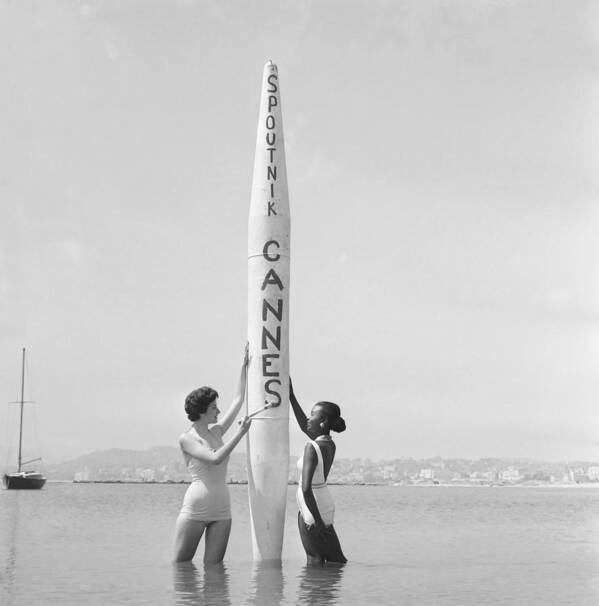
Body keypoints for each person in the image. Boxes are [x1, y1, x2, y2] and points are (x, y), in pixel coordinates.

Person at [173, 346, 252, 563]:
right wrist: (240, 433)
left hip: (221, 508)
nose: (218, 411)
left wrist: (243, 367)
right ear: (201, 411)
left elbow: (238, 401)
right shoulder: (187, 439)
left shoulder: (216, 431)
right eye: (214, 408)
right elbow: (215, 459)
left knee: (215, 571)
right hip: (195, 508)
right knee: (182, 568)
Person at [289, 379, 347, 565]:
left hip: (312, 506)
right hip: (323, 504)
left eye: (312, 414)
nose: (308, 418)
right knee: (336, 561)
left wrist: (319, 524)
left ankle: (315, 593)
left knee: (314, 562)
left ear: (322, 422)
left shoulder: (311, 447)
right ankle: (332, 591)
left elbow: (306, 488)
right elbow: (303, 425)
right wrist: (291, 396)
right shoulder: (328, 444)